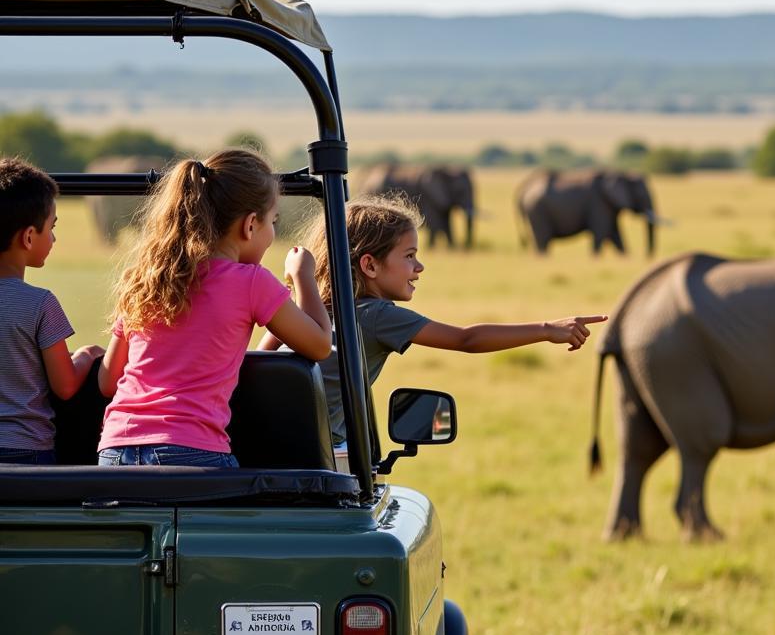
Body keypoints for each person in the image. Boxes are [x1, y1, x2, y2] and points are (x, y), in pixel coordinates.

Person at [259, 193, 606, 464]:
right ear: (370, 265)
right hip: (319, 453)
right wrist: (547, 329)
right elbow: (467, 339)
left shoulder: (314, 310)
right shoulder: (376, 314)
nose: (419, 266)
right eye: (409, 256)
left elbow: (261, 362)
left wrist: (297, 286)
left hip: (270, 443)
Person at [97, 149, 332, 468]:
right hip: (192, 452)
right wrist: (304, 275)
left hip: (114, 451)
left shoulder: (148, 278)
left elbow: (109, 383)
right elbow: (319, 344)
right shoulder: (251, 282)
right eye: (272, 221)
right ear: (250, 225)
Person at [0, 158, 105, 464]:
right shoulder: (41, 303)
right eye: (52, 227)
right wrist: (85, 355)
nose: (55, 238)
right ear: (29, 237)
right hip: (27, 452)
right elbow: (66, 385)